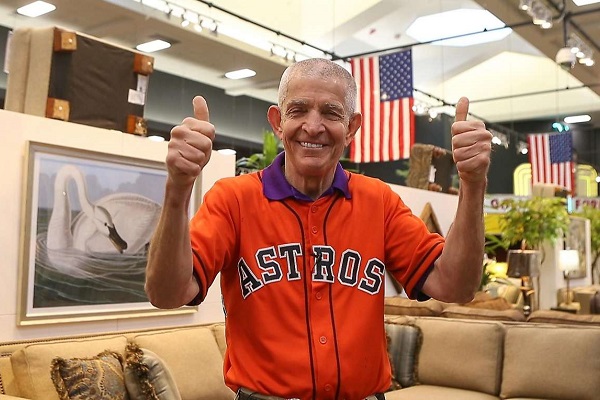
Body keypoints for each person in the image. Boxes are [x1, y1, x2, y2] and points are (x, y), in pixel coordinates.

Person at [145, 58, 492, 400]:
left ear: (352, 128)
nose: (313, 126)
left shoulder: (378, 202)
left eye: (331, 112)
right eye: (298, 111)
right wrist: (178, 188)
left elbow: (456, 286)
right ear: (278, 123)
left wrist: (473, 183)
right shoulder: (234, 199)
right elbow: (166, 293)